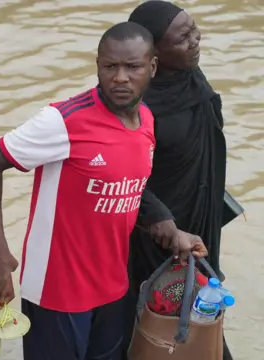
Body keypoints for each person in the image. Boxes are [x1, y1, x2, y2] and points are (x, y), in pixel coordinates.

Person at [0, 22, 207, 360]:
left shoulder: (145, 121)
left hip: (112, 286)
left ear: (152, 68)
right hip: (58, 291)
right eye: (110, 66)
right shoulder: (63, 121)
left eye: (133, 67)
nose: (121, 77)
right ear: (98, 65)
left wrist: (170, 229)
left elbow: (129, 189)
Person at [126, 2, 233, 359]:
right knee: (156, 316)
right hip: (157, 231)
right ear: (153, 53)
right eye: (183, 37)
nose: (195, 40)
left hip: (199, 217)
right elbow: (124, 175)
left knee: (202, 309)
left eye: (194, 30)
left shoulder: (191, 79)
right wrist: (161, 222)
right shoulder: (136, 104)